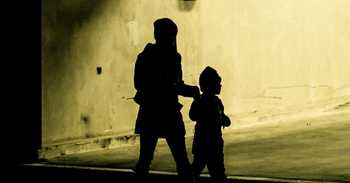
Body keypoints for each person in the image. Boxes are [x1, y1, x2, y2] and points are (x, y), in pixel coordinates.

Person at [133, 18, 200, 183]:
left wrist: (185, 89)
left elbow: (140, 84)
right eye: (170, 35)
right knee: (179, 160)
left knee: (147, 159)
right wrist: (189, 91)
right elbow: (174, 85)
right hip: (164, 112)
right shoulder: (167, 57)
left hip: (152, 111)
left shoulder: (153, 56)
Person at [189, 66, 231, 183]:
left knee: (214, 171)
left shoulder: (216, 102)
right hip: (207, 143)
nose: (220, 86)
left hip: (212, 144)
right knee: (205, 169)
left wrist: (224, 119)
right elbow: (193, 115)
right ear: (210, 86)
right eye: (218, 83)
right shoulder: (204, 101)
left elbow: (221, 116)